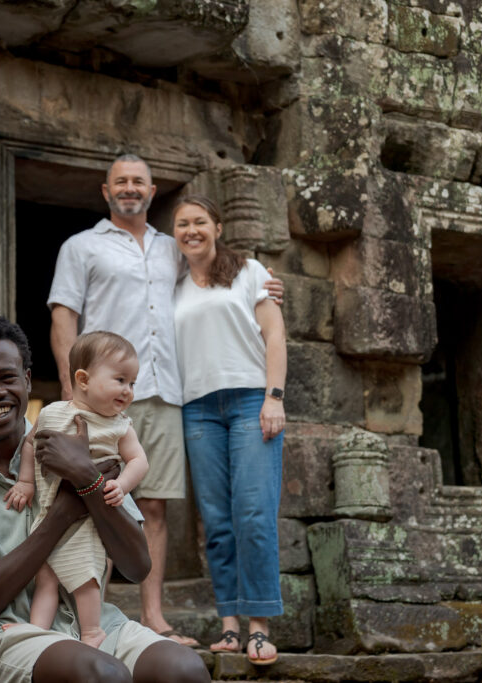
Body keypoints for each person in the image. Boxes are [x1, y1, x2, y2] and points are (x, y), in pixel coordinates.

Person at [47, 153, 283, 645]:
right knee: (94, 501)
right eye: (121, 181)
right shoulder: (81, 246)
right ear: (106, 190)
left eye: (139, 181)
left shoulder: (169, 247)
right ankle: (92, 621)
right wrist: (72, 389)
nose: (130, 188)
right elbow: (64, 319)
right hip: (101, 398)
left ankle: (154, 618)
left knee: (154, 507)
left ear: (153, 192)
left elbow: (216, 264)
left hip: (167, 394)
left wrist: (265, 282)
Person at [0, 313, 209, 683]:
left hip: (96, 625)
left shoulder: (88, 435)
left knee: (184, 669)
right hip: (10, 636)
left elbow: (136, 568)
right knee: (101, 674)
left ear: (26, 380)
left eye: (7, 378)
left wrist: (86, 477)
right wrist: (66, 509)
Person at [171, 195, 286, 665]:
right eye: (181, 224)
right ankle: (230, 627)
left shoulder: (251, 272)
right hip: (196, 409)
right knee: (217, 523)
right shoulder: (172, 284)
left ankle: (260, 627)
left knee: (254, 514)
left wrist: (273, 397)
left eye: (200, 222)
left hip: (248, 402)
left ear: (217, 227)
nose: (191, 230)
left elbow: (274, 335)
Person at [4, 331, 150, 648]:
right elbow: (30, 443)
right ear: (83, 379)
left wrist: (122, 485)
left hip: (88, 519)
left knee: (85, 575)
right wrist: (25, 482)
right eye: (121, 380)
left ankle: (91, 631)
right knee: (46, 577)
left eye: (132, 383)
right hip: (49, 510)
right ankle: (36, 634)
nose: (128, 391)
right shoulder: (53, 413)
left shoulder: (119, 425)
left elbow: (139, 460)